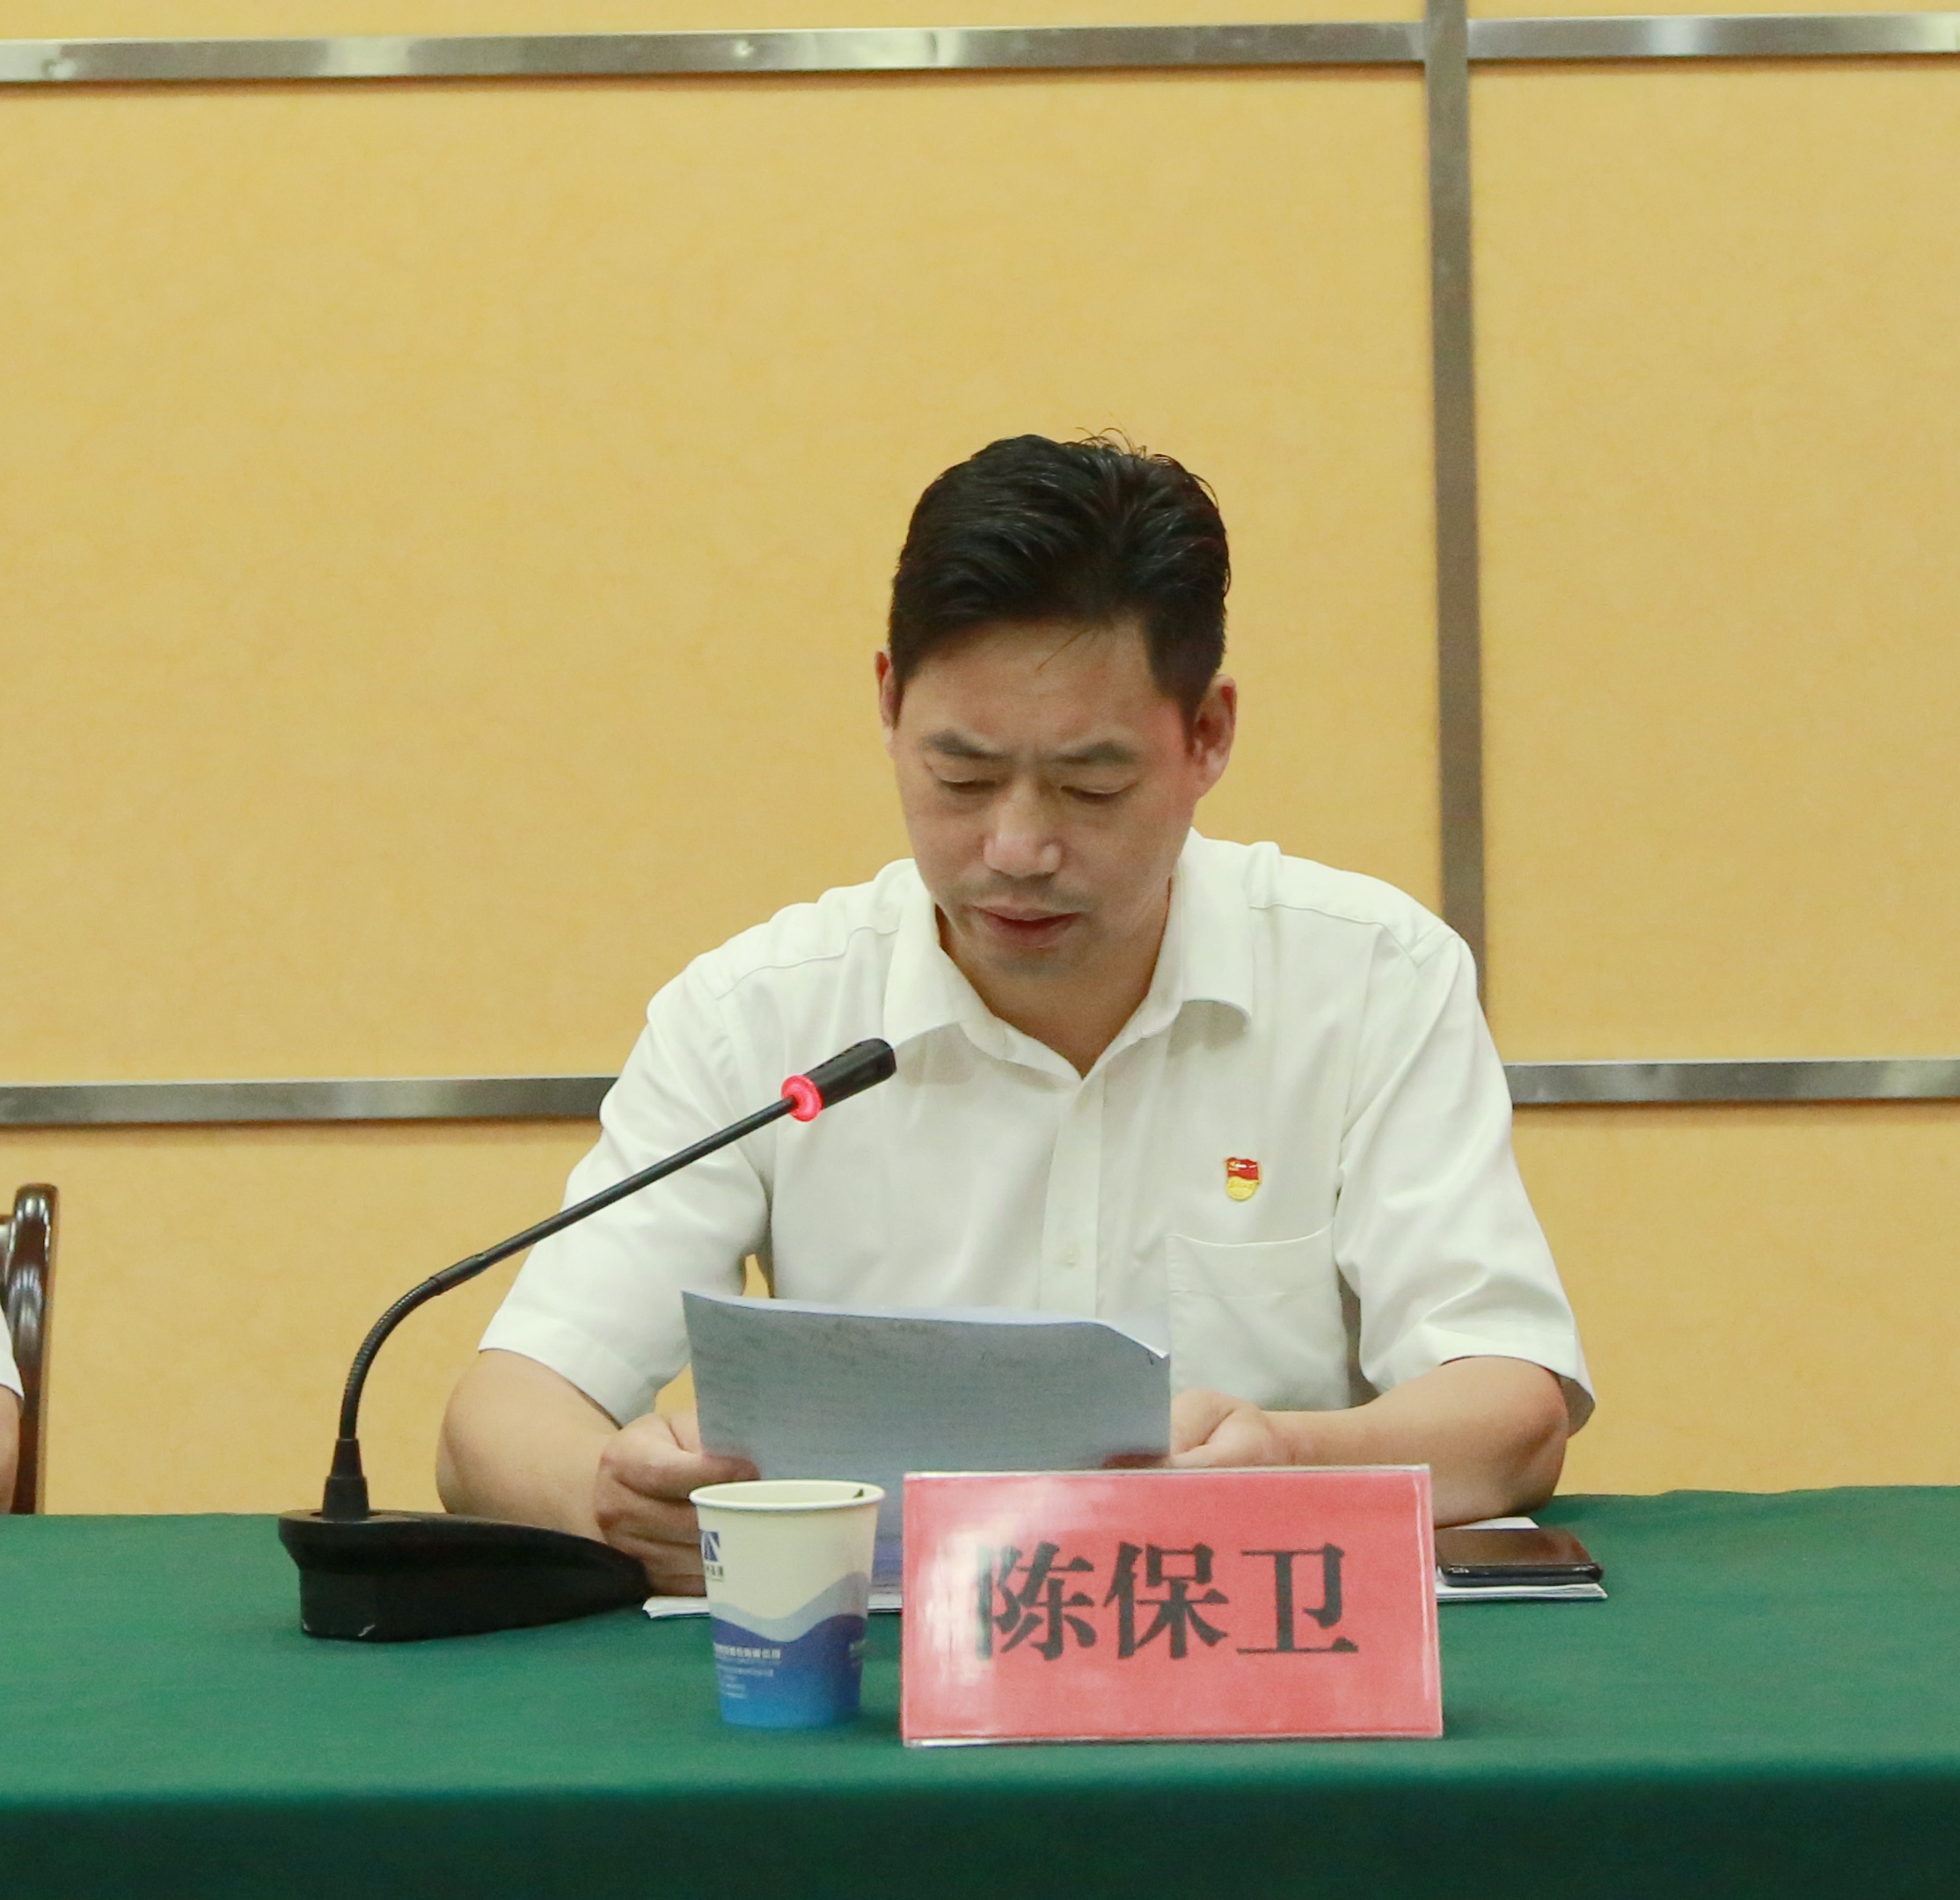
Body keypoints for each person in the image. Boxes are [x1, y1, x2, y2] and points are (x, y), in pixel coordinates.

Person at [440, 434, 1591, 1591]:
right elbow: (497, 1423)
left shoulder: (1370, 979)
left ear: (1207, 734)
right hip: (879, 1678)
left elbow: (1509, 1407)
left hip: (1240, 1651)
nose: (1018, 848)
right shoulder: (758, 1015)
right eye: (964, 778)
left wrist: (1285, 1463)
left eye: (1091, 786)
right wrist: (613, 1499)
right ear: (889, 703)